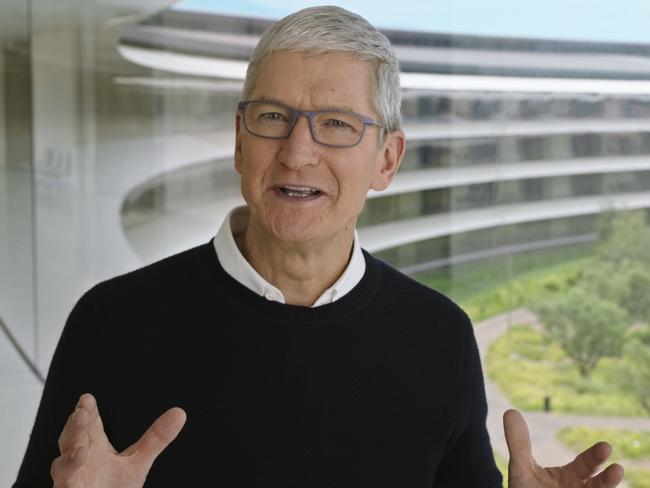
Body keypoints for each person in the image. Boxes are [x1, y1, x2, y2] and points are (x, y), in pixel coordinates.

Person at [14, 6, 624, 488]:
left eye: (335, 124)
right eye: (273, 117)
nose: (297, 152)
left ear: (387, 159)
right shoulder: (114, 322)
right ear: (238, 141)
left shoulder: (439, 335)